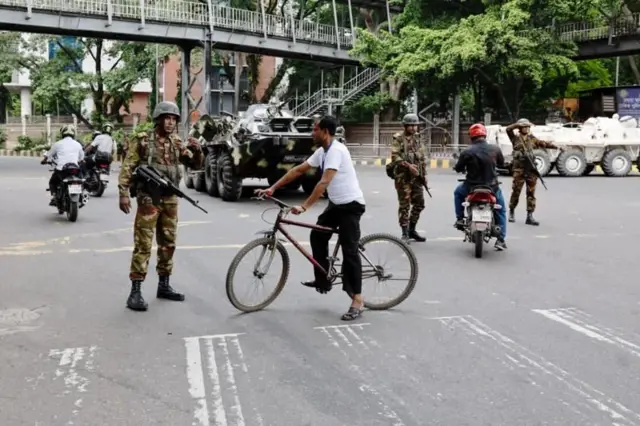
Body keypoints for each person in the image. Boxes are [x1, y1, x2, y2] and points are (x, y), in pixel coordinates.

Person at [254, 115, 366, 321]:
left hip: (350, 206)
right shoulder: (322, 152)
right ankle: (323, 281)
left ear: (325, 131)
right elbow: (298, 170)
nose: (312, 133)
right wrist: (272, 188)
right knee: (317, 235)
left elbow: (323, 183)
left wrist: (304, 206)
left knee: (350, 252)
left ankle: (357, 300)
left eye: (315, 129)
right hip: (336, 204)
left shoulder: (336, 151)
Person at [117, 101, 204, 312]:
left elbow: (194, 165)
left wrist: (198, 151)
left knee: (168, 243)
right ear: (158, 119)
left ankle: (164, 285)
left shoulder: (176, 142)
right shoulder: (143, 140)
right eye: (166, 118)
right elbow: (128, 166)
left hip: (170, 198)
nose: (170, 122)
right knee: (143, 244)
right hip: (148, 198)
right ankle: (135, 291)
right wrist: (123, 194)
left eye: (173, 119)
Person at [453, 123, 508, 251]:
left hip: (471, 187)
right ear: (484, 135)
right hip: (492, 187)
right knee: (501, 210)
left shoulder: (467, 151)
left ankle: (460, 219)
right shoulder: (495, 149)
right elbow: (502, 163)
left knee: (458, 193)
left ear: (471, 136)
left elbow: (459, 168)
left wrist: (459, 168)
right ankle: (501, 239)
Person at [506, 118, 560, 226]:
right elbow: (508, 129)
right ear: (520, 128)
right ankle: (512, 211)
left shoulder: (532, 139)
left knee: (531, 193)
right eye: (524, 127)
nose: (526, 128)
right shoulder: (515, 138)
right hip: (519, 169)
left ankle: (530, 216)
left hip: (530, 169)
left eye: (527, 127)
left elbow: (542, 143)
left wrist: (556, 146)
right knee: (516, 191)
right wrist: (518, 124)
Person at [390, 113, 427, 242]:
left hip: (416, 177)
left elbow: (421, 158)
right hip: (403, 177)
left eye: (415, 125)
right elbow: (395, 156)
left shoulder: (417, 138)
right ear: (405, 125)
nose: (413, 127)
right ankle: (404, 233)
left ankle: (412, 229)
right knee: (404, 205)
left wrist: (424, 176)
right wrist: (408, 166)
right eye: (411, 125)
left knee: (420, 204)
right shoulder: (398, 138)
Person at [41, 125, 85, 206]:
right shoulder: (77, 144)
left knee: (52, 182)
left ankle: (54, 197)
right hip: (75, 169)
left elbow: (48, 155)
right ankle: (82, 196)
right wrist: (80, 161)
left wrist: (44, 161)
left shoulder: (57, 144)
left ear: (62, 134)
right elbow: (82, 158)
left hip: (62, 169)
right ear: (73, 134)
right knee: (81, 180)